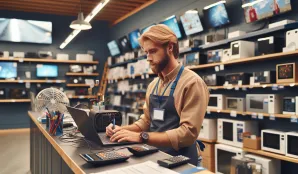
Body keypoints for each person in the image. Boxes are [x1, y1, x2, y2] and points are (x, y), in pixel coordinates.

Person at [106, 24, 209, 165]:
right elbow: (146, 122)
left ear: (170, 47)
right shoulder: (153, 85)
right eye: (146, 52)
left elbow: (188, 134)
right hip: (154, 157)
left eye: (153, 51)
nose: (148, 58)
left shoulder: (191, 83)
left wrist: (141, 137)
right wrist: (121, 130)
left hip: (182, 162)